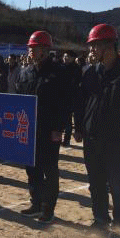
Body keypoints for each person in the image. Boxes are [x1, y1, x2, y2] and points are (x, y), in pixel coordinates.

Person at [74, 24, 120, 230]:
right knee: (96, 183)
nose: (91, 50)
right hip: (92, 138)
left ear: (109, 46)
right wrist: (79, 127)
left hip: (118, 141)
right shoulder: (90, 72)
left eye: (95, 46)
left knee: (119, 186)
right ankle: (100, 219)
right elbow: (81, 102)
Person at [16, 31, 69, 224]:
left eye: (34, 48)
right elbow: (19, 99)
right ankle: (36, 203)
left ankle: (48, 208)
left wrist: (59, 128)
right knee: (32, 168)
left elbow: (65, 103)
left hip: (49, 130)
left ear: (45, 50)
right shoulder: (25, 72)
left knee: (49, 170)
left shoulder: (59, 72)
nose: (30, 51)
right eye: (30, 48)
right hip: (29, 129)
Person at [61, 50, 82, 146]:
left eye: (67, 56)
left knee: (69, 121)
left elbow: (76, 84)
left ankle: (67, 140)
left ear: (73, 58)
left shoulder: (76, 69)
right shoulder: (61, 67)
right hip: (63, 97)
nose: (65, 58)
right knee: (64, 119)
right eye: (64, 56)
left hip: (72, 98)